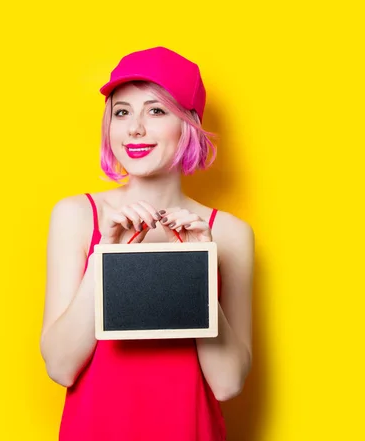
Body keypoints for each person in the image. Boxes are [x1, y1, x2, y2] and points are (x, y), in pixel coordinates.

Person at [40, 46, 254, 441]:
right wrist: (107, 256)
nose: (135, 128)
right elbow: (60, 366)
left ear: (189, 123)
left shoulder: (228, 234)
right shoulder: (76, 216)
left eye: (156, 111)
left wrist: (197, 264)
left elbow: (227, 385)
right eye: (122, 112)